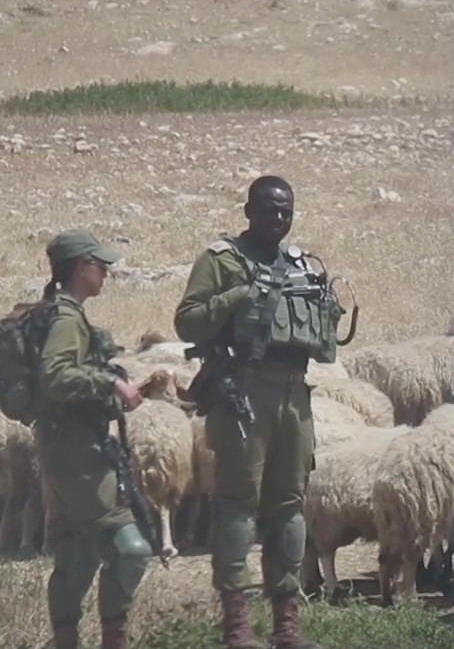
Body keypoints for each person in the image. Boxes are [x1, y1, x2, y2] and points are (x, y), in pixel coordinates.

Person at [174, 175, 340, 649]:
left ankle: (287, 627)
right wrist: (237, 296)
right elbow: (186, 321)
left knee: (290, 509)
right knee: (237, 507)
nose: (279, 219)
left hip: (295, 395)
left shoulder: (301, 264)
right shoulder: (222, 260)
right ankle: (237, 627)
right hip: (243, 392)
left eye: (286, 211)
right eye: (269, 210)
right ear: (248, 211)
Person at [34, 228, 152, 649]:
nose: (106, 273)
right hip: (77, 453)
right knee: (131, 549)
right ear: (80, 268)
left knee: (77, 550)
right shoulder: (66, 318)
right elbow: (55, 376)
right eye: (100, 265)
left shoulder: (59, 312)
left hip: (65, 447)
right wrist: (110, 383)